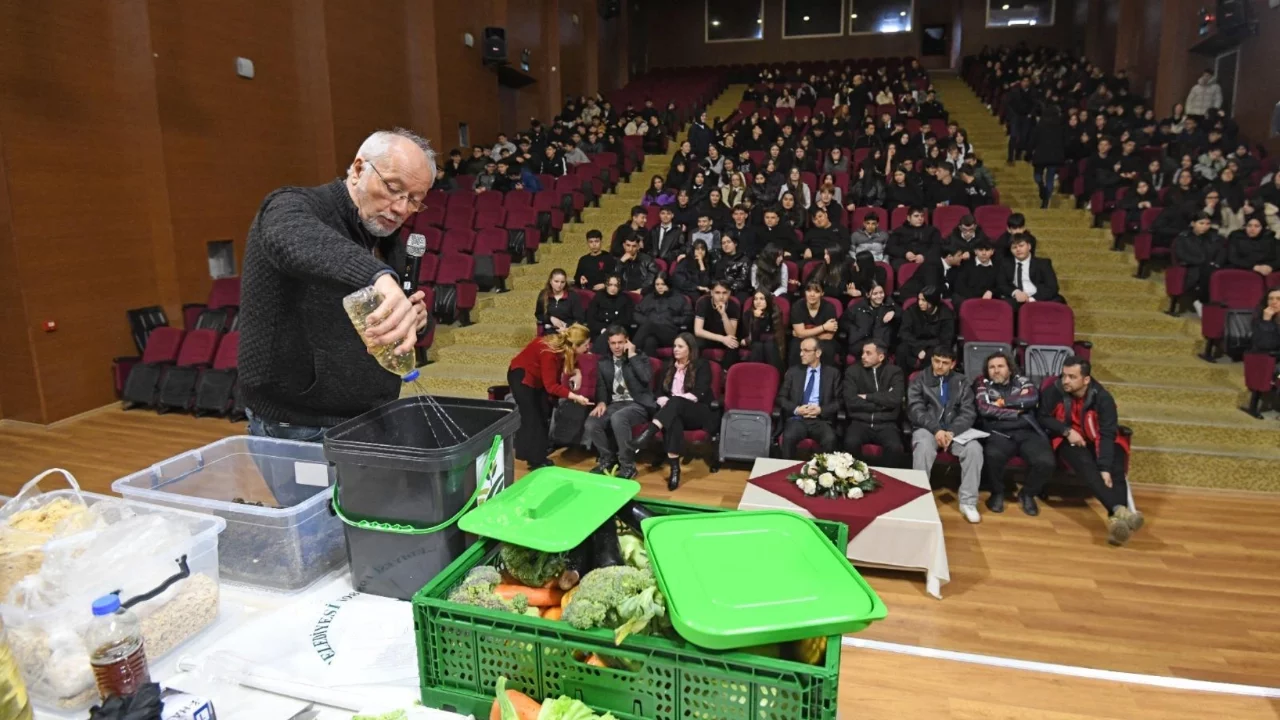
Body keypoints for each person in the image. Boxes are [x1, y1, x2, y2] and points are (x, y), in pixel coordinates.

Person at [241, 128, 433, 439]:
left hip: (372, 413)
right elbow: (293, 236)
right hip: (300, 423)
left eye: (414, 199)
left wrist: (418, 321)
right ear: (359, 169)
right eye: (393, 189)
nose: (401, 208)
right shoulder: (292, 206)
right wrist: (377, 276)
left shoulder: (389, 240)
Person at [1038, 356, 1144, 546]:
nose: (1065, 381)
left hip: (1098, 438)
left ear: (1086, 380)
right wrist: (1066, 431)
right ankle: (1120, 512)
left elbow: (1107, 433)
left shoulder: (1103, 398)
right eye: (1064, 376)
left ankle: (1116, 519)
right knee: (1085, 465)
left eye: (1072, 377)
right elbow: (1042, 416)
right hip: (1068, 439)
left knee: (1115, 469)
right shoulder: (1055, 390)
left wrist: (1104, 467)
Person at [632, 333, 720, 490]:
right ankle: (675, 469)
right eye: (674, 346)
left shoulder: (702, 365)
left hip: (698, 412)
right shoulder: (668, 366)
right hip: (673, 412)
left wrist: (673, 401)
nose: (675, 350)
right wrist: (664, 400)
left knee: (676, 403)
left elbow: (699, 393)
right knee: (674, 420)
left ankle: (649, 433)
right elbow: (659, 392)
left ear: (690, 349)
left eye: (680, 346)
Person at [907, 346, 984, 523]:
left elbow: (968, 412)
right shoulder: (919, 379)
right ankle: (918, 499)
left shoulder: (961, 381)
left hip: (955, 430)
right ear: (932, 359)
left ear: (953, 364)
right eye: (936, 361)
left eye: (945, 363)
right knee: (923, 448)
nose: (939, 366)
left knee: (974, 450)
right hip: (928, 428)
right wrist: (936, 430)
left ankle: (968, 502)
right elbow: (915, 409)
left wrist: (952, 431)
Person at [973, 352, 1055, 516]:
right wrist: (1017, 412)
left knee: (1046, 462)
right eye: (992, 367)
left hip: (1027, 431)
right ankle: (997, 492)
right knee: (993, 455)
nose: (996, 370)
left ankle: (1028, 493)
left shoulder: (1022, 381)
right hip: (999, 431)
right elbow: (983, 407)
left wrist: (1002, 403)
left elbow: (1032, 398)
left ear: (1009, 369)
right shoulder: (982, 382)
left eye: (1000, 366)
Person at [507, 325, 594, 469]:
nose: (588, 347)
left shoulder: (565, 345)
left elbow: (572, 358)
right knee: (533, 417)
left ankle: (537, 454)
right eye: (585, 345)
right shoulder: (549, 353)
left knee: (543, 412)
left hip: (538, 377)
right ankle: (535, 460)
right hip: (522, 376)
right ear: (574, 344)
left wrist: (577, 373)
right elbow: (551, 387)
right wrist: (575, 397)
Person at [584, 326, 656, 479]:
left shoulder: (639, 357)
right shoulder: (603, 362)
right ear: (609, 344)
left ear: (627, 341)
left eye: (620, 342)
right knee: (592, 423)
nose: (617, 347)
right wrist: (601, 402)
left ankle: (628, 466)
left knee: (619, 418)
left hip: (637, 404)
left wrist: (632, 355)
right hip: (615, 404)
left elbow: (646, 378)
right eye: (613, 343)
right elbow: (601, 386)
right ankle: (608, 459)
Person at [842, 340, 907, 467]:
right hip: (859, 422)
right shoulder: (852, 371)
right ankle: (853, 480)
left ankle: (887, 482)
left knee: (895, 447)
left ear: (881, 357)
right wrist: (883, 404)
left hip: (886, 424)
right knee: (850, 443)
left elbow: (895, 399)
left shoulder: (894, 372)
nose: (863, 356)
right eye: (863, 353)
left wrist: (867, 397)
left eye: (868, 353)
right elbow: (851, 401)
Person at [777, 338, 842, 459]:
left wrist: (821, 410)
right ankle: (786, 472)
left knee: (830, 439)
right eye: (801, 350)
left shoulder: (832, 373)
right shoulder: (793, 372)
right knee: (789, 436)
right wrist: (797, 409)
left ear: (818, 353)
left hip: (820, 420)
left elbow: (839, 401)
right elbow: (781, 398)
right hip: (798, 419)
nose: (801, 354)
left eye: (806, 350)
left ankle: (823, 475)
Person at [897, 286, 955, 375]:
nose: (920, 303)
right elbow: (904, 333)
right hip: (913, 344)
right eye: (919, 299)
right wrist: (918, 349)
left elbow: (945, 340)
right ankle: (903, 383)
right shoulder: (912, 310)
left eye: (924, 300)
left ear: (933, 301)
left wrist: (925, 349)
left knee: (938, 354)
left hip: (934, 347)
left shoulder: (946, 314)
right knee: (902, 349)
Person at [1173, 212, 1223, 315]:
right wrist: (1200, 261)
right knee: (1202, 272)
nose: (1205, 226)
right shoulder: (1183, 237)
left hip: (1211, 267)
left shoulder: (1215, 237)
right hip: (1192, 266)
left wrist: (1217, 263)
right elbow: (1181, 254)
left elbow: (1222, 252)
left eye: (1208, 223)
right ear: (1193, 223)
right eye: (1201, 223)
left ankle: (1207, 304)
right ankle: (1201, 302)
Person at [999, 235, 1062, 312]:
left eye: (1021, 246)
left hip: (1038, 297)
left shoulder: (1043, 264)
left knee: (1058, 302)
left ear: (1029, 246)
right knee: (1003, 305)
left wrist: (1031, 299)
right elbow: (1001, 284)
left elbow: (1052, 287)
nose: (1018, 249)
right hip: (1016, 299)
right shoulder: (1005, 264)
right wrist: (1015, 292)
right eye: (1014, 247)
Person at [632, 273, 690, 356]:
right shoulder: (648, 298)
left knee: (650, 325)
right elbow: (636, 313)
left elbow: (688, 316)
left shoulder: (679, 298)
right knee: (649, 342)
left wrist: (672, 320)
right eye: (657, 284)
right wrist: (646, 321)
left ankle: (630, 353)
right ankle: (649, 367)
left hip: (670, 333)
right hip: (652, 332)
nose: (660, 287)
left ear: (668, 284)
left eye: (663, 284)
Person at [790, 281, 839, 364]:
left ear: (822, 293)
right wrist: (824, 327)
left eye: (816, 291)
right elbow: (800, 333)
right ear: (805, 292)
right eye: (809, 291)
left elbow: (829, 336)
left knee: (828, 348)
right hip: (803, 340)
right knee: (795, 347)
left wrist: (804, 333)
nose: (812, 294)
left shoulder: (829, 308)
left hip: (823, 342)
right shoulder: (797, 307)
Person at [694, 281, 742, 364]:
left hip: (726, 337)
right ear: (712, 293)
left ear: (729, 293)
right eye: (717, 292)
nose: (721, 296)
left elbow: (731, 333)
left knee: (734, 344)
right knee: (695, 343)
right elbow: (698, 331)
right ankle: (697, 369)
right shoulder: (703, 302)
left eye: (724, 293)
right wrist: (721, 338)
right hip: (707, 337)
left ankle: (726, 372)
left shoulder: (733, 305)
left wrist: (723, 314)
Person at [586, 275, 634, 354]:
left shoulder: (625, 299)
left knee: (611, 338)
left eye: (616, 285)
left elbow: (626, 320)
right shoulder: (598, 296)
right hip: (598, 331)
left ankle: (592, 354)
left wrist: (609, 331)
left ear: (619, 287)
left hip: (617, 333)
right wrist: (601, 329)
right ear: (606, 285)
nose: (613, 288)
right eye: (610, 285)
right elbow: (590, 318)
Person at [739, 290, 786, 369]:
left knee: (769, 345)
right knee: (758, 346)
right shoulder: (748, 314)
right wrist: (757, 319)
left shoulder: (774, 313)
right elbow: (753, 337)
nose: (758, 302)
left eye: (761, 299)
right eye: (755, 299)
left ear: (767, 300)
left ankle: (776, 376)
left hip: (772, 343)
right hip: (754, 343)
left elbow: (776, 335)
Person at [535, 268, 584, 336]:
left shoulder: (573, 296)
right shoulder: (543, 294)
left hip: (569, 332)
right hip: (550, 331)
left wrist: (567, 327)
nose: (559, 285)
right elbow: (539, 315)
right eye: (556, 281)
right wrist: (551, 318)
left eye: (562, 282)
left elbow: (579, 319)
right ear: (550, 281)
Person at [952, 240, 1001, 308]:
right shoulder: (966, 264)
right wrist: (975, 299)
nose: (984, 253)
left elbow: (1001, 285)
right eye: (981, 250)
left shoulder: (998, 266)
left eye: (987, 250)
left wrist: (991, 292)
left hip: (989, 299)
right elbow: (959, 286)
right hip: (968, 299)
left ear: (992, 251)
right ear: (975, 251)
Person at [1253, 288, 1280, 353]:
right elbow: (1266, 345)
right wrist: (1266, 321)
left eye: (1279, 299)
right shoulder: (1259, 320)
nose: (1274, 302)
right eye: (1270, 299)